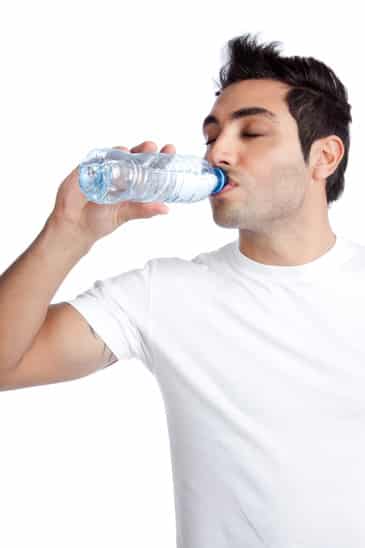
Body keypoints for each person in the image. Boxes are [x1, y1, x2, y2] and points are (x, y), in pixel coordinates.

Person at [0, 31, 361, 547]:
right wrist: (68, 232)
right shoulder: (165, 294)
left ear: (324, 157)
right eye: (212, 135)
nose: (219, 152)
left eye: (251, 133)